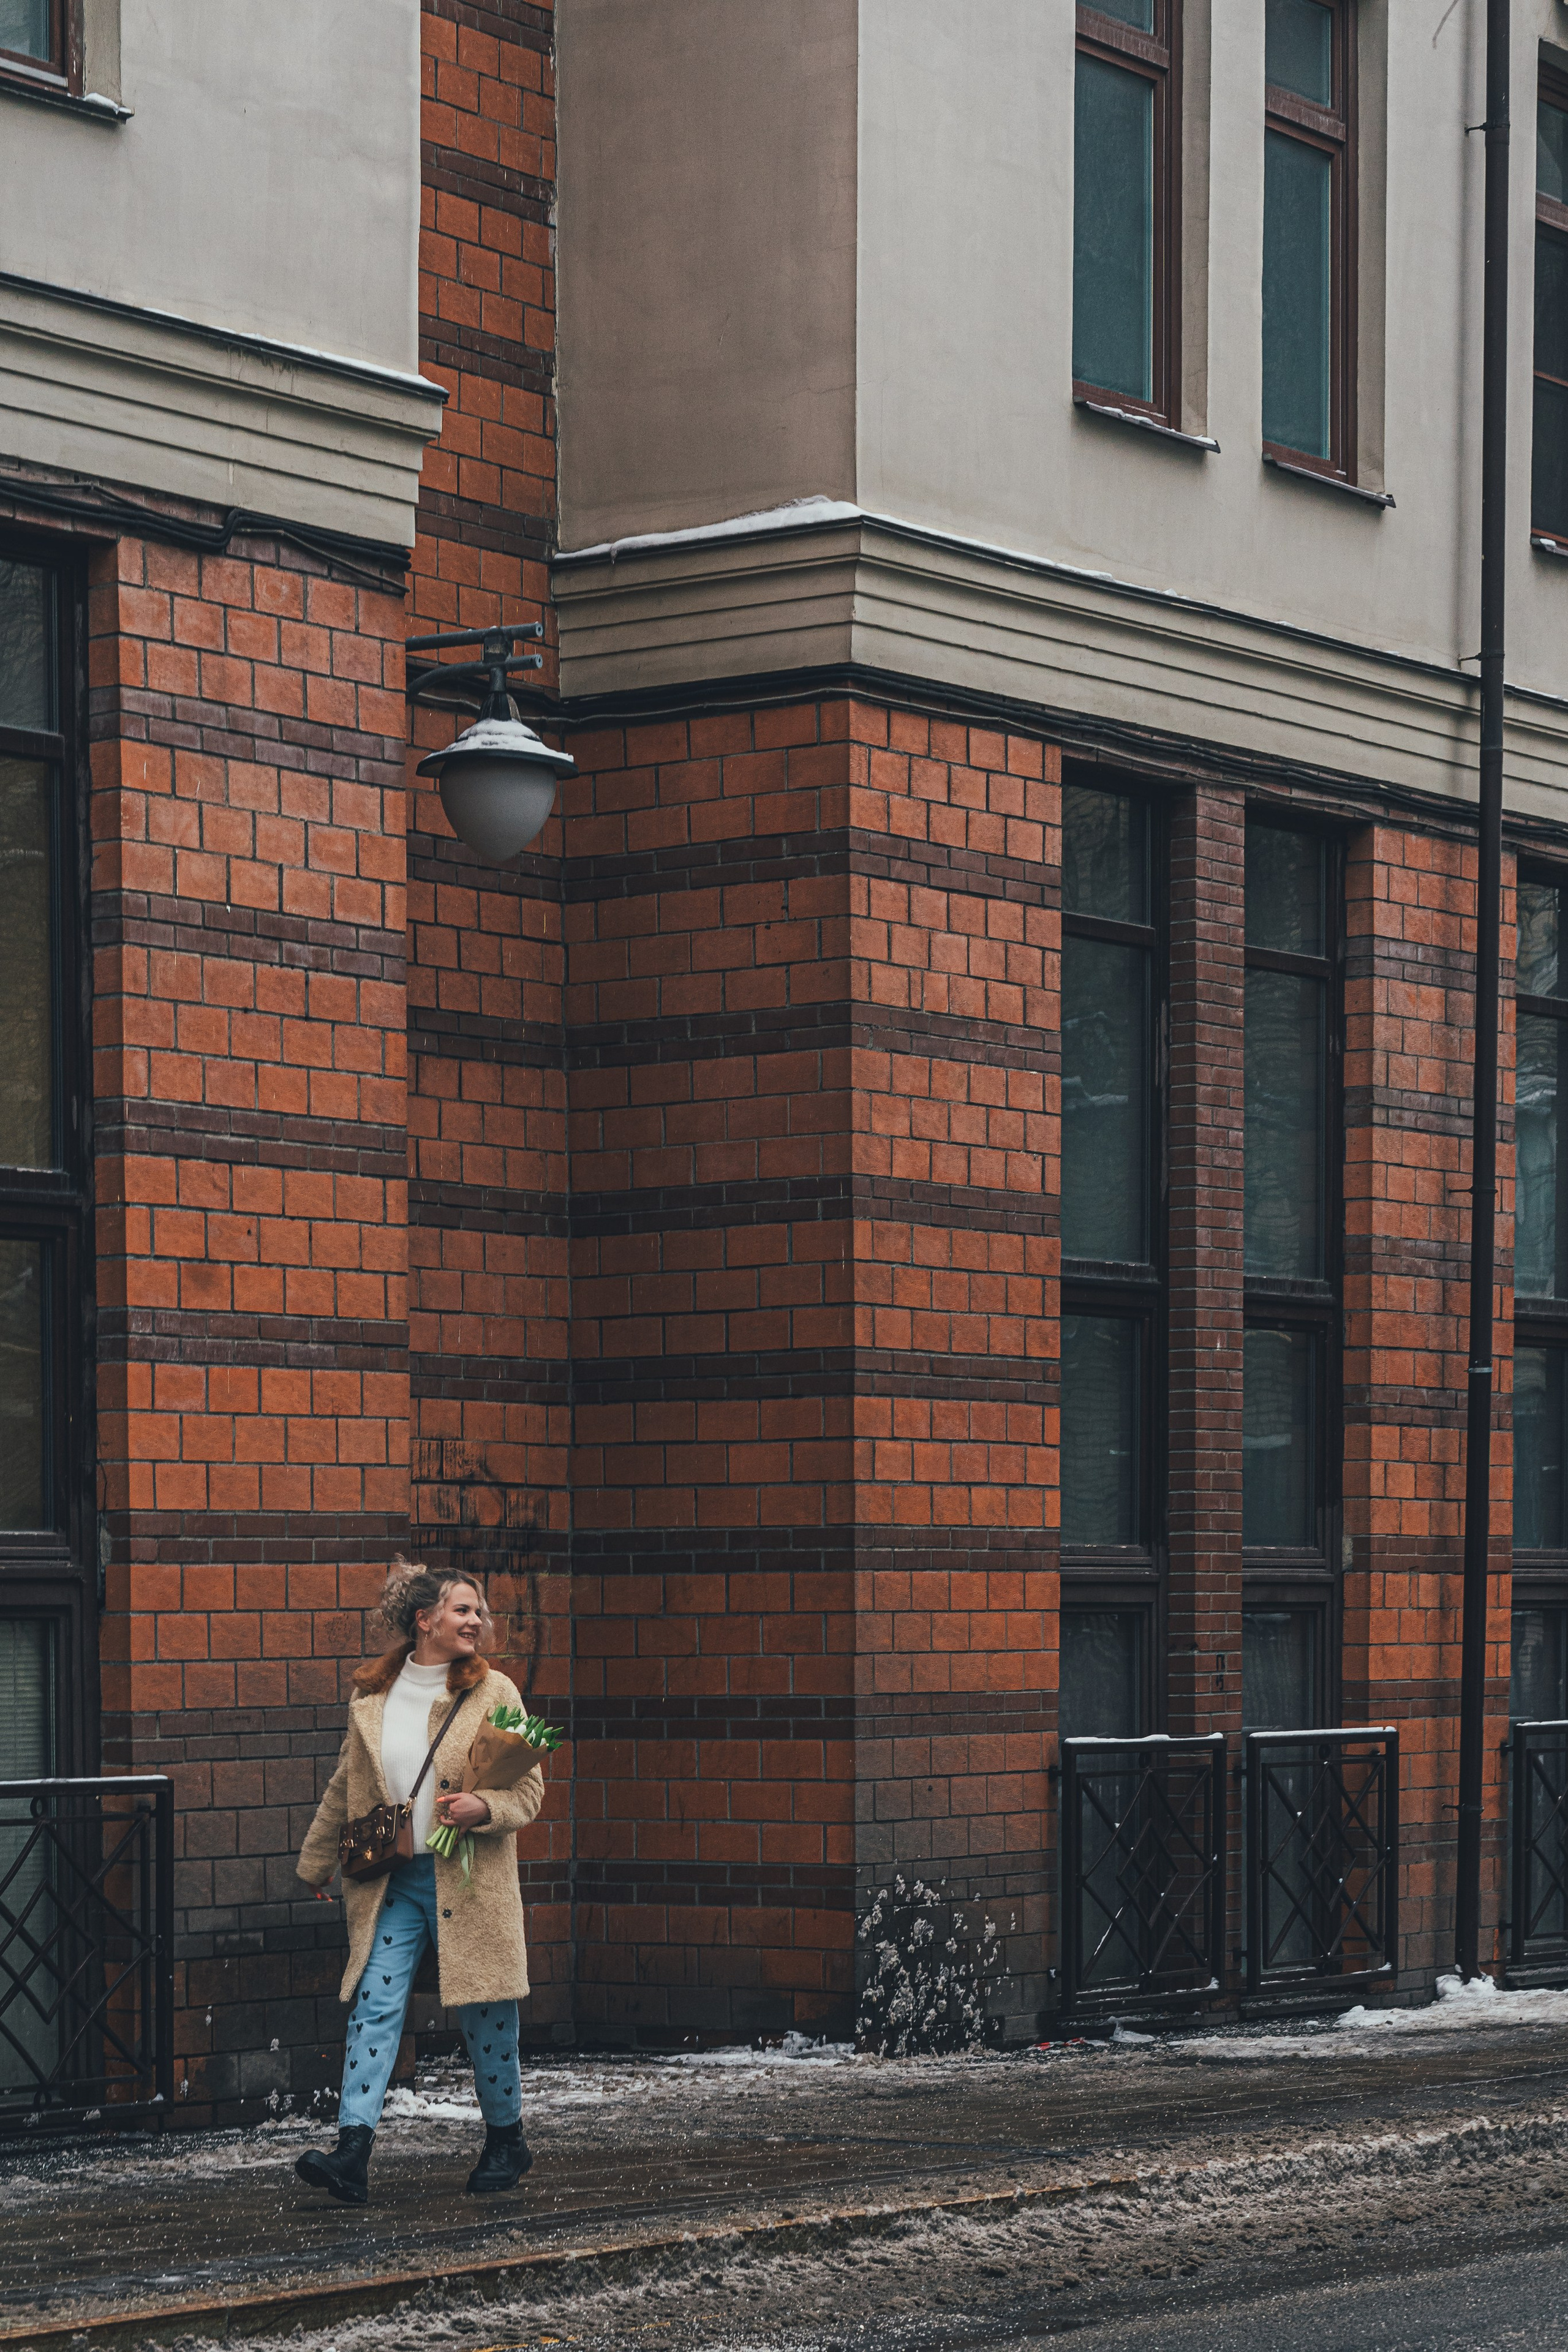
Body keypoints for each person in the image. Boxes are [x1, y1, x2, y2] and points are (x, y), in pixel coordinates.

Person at [293, 1563, 546, 2204]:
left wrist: (483, 1809)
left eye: (479, 1611)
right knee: (375, 2005)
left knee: (487, 2012)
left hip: (468, 1878)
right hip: (394, 1880)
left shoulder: (497, 1693)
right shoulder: (372, 1697)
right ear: (424, 1620)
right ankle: (352, 2150)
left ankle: (505, 2139)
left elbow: (528, 1791)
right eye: (462, 1610)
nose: (476, 1621)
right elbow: (344, 1786)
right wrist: (315, 1861)